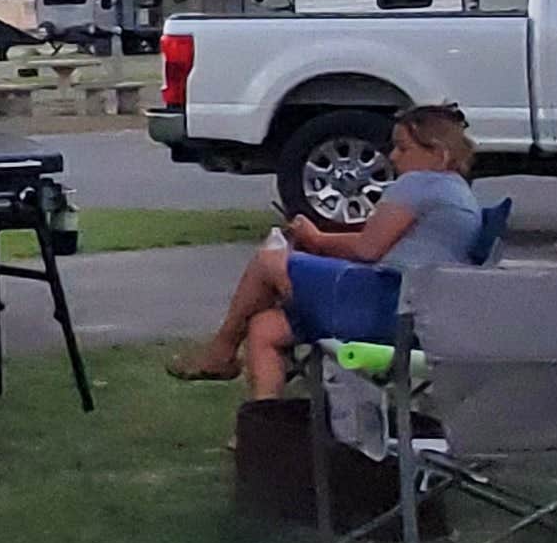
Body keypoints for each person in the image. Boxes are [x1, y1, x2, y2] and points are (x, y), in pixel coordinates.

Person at [173, 104, 489, 399]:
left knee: (269, 259)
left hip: (383, 304)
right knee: (265, 328)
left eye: (403, 148)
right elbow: (382, 243)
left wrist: (317, 239)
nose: (393, 157)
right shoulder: (458, 192)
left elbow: (368, 249)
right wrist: (318, 243)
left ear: (438, 152)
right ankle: (259, 427)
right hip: (415, 311)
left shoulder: (420, 184)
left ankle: (221, 350)